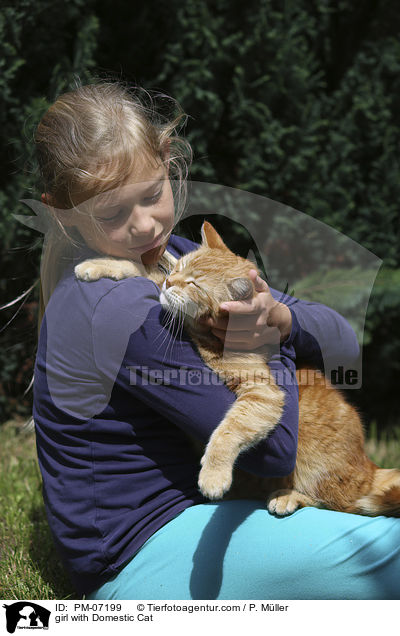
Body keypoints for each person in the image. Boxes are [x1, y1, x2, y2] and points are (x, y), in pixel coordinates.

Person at [32, 80, 400, 601]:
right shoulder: (116, 308)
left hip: (200, 515)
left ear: (168, 161)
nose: (143, 226)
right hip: (143, 559)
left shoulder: (175, 258)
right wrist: (268, 346)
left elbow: (342, 340)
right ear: (61, 212)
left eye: (153, 195)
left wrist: (277, 316)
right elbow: (274, 452)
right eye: (113, 215)